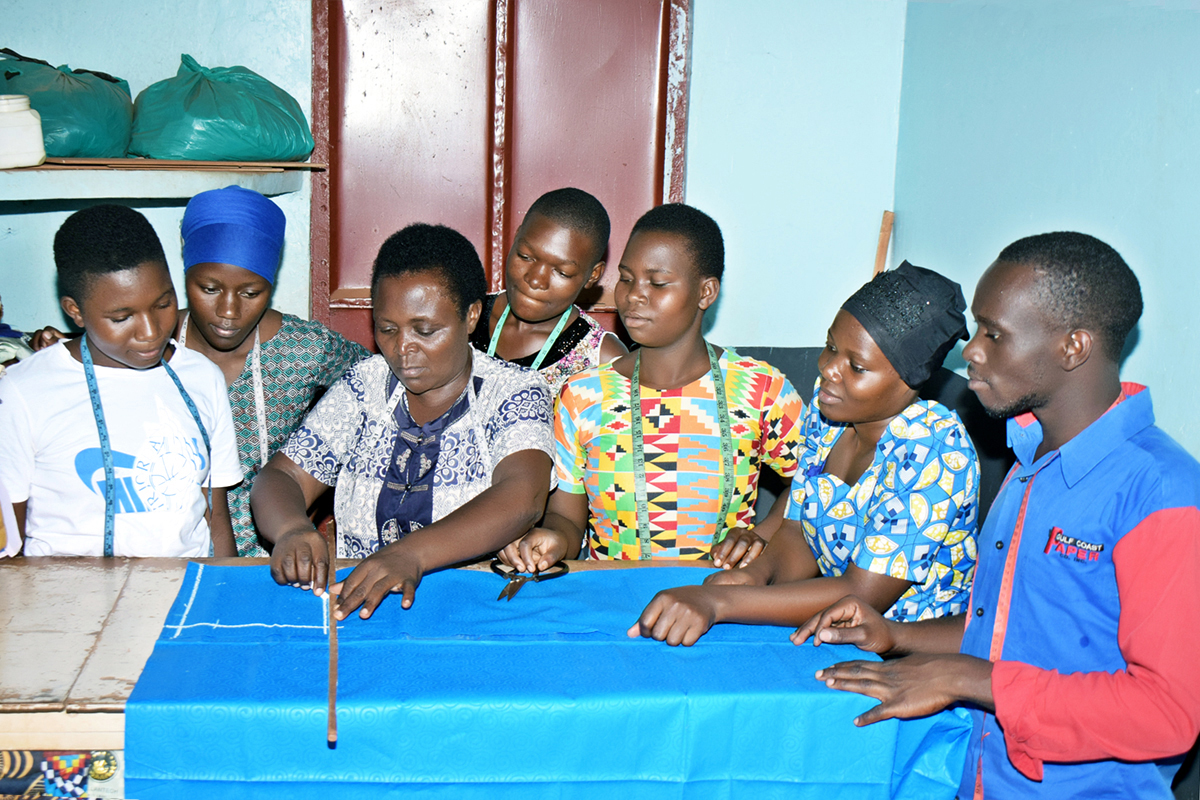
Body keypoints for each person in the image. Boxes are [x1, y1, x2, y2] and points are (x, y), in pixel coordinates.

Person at [797, 232, 1200, 799]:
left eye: (994, 333)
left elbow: (1167, 715)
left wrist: (966, 679)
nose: (971, 352)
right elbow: (1006, 633)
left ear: (1072, 348)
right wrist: (894, 635)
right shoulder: (1026, 466)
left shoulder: (1160, 490)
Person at [629, 262, 980, 646]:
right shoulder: (831, 411)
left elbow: (862, 595)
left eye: (857, 367)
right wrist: (758, 575)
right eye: (830, 347)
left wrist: (721, 602)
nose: (829, 369)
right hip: (829, 628)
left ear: (910, 381)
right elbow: (798, 528)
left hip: (909, 652)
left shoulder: (935, 452)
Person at [251, 223, 555, 619]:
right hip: (363, 610)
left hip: (477, 613)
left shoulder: (513, 392)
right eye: (387, 329)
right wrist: (292, 529)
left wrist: (409, 555)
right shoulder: (366, 386)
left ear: (471, 315)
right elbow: (282, 477)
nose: (403, 348)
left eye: (425, 330)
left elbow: (523, 497)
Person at [499, 203, 803, 569]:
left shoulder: (760, 389)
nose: (634, 295)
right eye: (626, 279)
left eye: (657, 283)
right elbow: (567, 517)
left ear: (706, 292)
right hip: (611, 598)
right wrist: (554, 539)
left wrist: (762, 534)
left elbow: (816, 479)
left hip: (719, 599)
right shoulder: (582, 396)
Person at [0, 205, 242, 557]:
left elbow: (215, 515)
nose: (150, 332)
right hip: (67, 601)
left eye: (163, 304)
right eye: (121, 316)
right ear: (75, 311)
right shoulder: (25, 392)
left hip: (185, 594)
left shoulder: (201, 376)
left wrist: (225, 597)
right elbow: (10, 542)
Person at [175, 186, 368, 556]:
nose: (228, 311)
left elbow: (379, 386)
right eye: (209, 288)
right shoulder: (154, 346)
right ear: (186, 272)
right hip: (170, 556)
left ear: (271, 286)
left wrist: (319, 488)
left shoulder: (305, 348)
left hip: (274, 560)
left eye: (250, 293)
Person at [469, 187, 627, 394]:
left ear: (593, 275)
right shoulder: (466, 317)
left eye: (562, 272)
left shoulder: (602, 360)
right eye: (525, 256)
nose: (535, 280)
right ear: (516, 239)